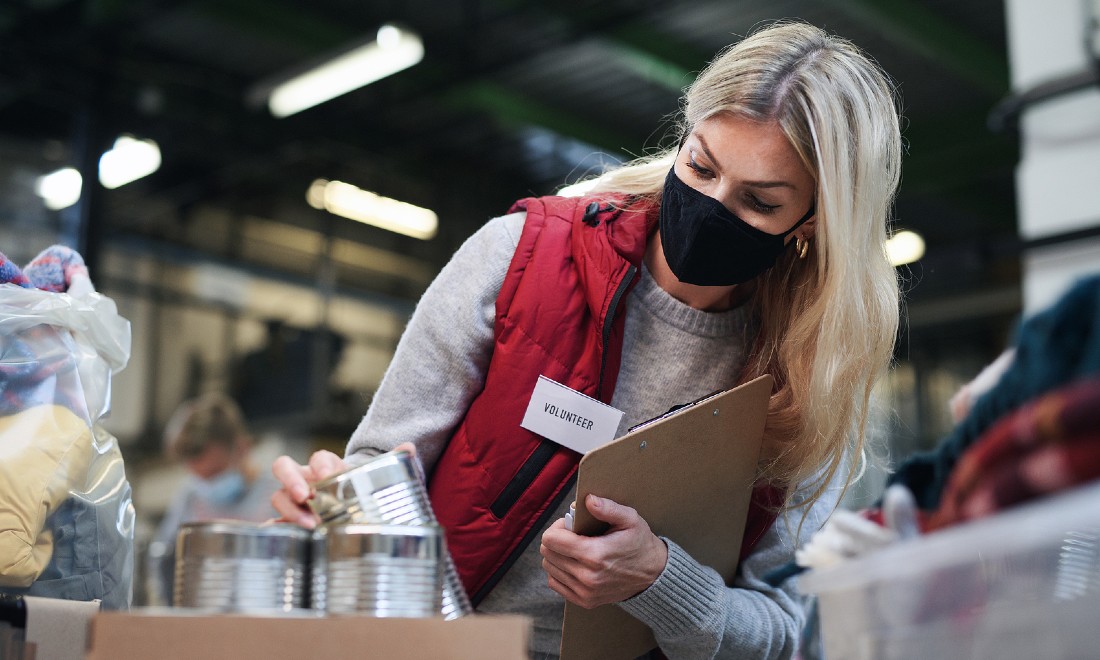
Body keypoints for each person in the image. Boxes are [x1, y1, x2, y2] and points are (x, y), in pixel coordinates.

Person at [272, 19, 902, 659]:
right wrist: (334, 506)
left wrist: (662, 580)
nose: (712, 204)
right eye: (701, 165)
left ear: (814, 222)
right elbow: (381, 466)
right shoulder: (521, 257)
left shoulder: (806, 376)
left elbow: (781, 631)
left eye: (760, 202)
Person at [146, 392, 281, 606]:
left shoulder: (277, 497)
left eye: (216, 473)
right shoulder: (190, 498)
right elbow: (164, 562)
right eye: (199, 477)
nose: (207, 485)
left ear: (242, 447)